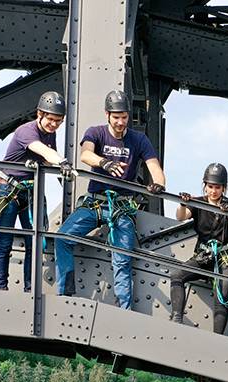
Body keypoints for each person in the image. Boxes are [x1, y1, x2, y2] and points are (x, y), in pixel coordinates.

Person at [54, 89, 166, 309]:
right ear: (107, 115)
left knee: (122, 258)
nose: (121, 122)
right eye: (116, 117)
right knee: (62, 238)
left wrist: (158, 184)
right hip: (95, 203)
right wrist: (104, 163)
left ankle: (123, 310)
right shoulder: (95, 132)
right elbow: (85, 154)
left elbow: (154, 166)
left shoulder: (138, 139)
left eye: (124, 117)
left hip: (122, 207)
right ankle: (66, 293)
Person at [0, 91, 73, 292]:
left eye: (58, 121)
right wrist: (62, 162)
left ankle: (29, 288)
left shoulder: (50, 134)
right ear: (40, 114)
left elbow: (46, 159)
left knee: (34, 241)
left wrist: (62, 175)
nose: (54, 125)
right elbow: (42, 151)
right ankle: (1, 288)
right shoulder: (26, 131)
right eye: (51, 119)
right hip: (8, 189)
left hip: (30, 190)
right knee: (5, 241)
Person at [169, 163, 228, 334]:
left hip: (225, 257)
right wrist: (182, 204)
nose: (213, 191)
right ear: (205, 185)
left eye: (217, 187)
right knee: (177, 276)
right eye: (210, 187)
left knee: (222, 294)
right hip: (203, 255)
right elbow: (181, 217)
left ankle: (217, 337)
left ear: (223, 188)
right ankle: (176, 319)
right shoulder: (197, 202)